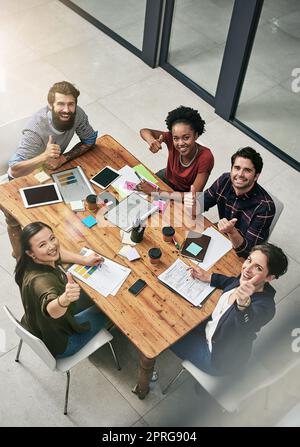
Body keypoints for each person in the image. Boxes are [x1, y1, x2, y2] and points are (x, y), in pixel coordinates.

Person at [5, 81, 98, 259]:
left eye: (71, 104)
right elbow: (14, 169)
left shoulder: (77, 114)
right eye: (60, 104)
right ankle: (18, 258)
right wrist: (44, 156)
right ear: (50, 105)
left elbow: (90, 139)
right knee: (19, 222)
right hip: (20, 181)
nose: (66, 109)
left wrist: (64, 158)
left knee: (56, 219)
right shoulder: (35, 130)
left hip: (50, 171)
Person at [171, 243, 288, 375]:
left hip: (217, 358)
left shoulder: (265, 308)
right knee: (174, 319)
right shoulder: (246, 278)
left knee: (168, 337)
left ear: (269, 277)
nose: (247, 269)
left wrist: (243, 304)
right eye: (249, 260)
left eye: (258, 268)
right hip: (211, 328)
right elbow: (231, 281)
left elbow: (247, 325)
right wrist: (209, 277)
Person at [15, 221, 110, 358]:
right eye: (42, 245)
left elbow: (57, 254)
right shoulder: (42, 282)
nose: (52, 246)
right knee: (108, 312)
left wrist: (84, 260)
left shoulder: (28, 263)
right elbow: (51, 310)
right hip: (63, 343)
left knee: (91, 295)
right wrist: (64, 299)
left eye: (52, 238)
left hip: (38, 327)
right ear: (30, 253)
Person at [185, 147, 275, 258]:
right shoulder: (225, 180)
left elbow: (248, 252)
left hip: (240, 248)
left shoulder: (265, 207)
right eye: (237, 168)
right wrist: (193, 204)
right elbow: (198, 208)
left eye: (247, 170)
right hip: (221, 233)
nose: (240, 174)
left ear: (256, 176)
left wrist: (231, 232)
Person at [138, 105, 214, 198]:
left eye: (186, 137)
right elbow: (144, 131)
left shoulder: (206, 157)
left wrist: (155, 192)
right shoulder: (170, 138)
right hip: (167, 177)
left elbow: (192, 196)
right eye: (176, 138)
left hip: (184, 194)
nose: (180, 143)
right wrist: (151, 141)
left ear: (196, 135)